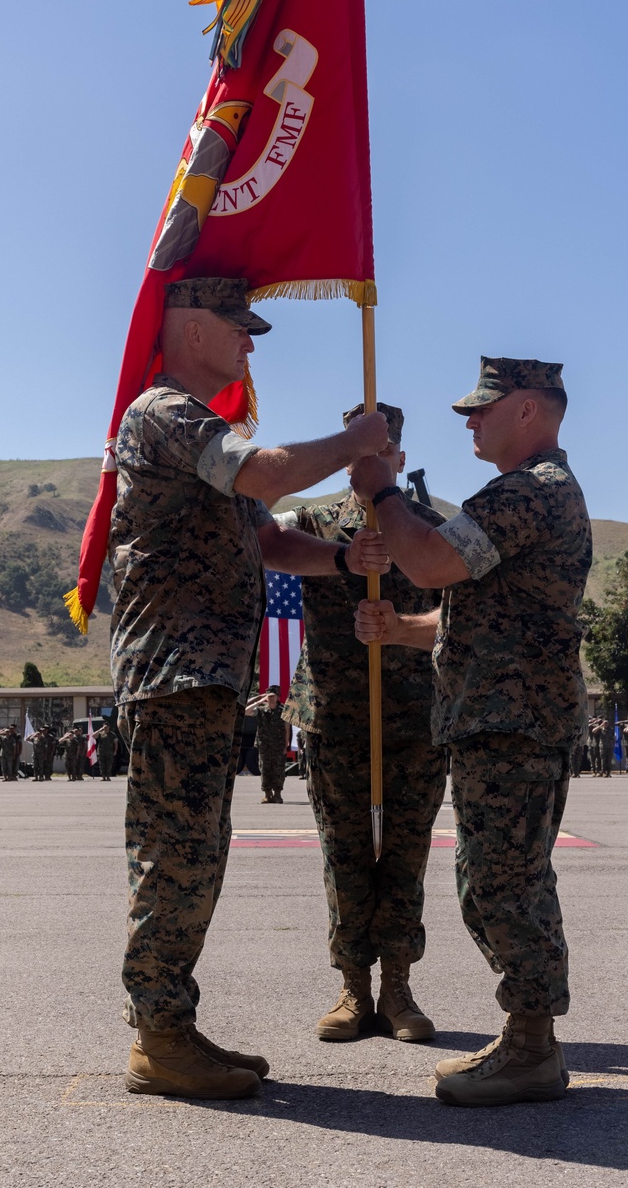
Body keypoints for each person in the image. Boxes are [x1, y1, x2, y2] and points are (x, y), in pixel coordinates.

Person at [109, 277, 390, 1102]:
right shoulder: (164, 411)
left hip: (201, 677)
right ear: (192, 326)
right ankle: (159, 1036)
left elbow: (265, 537)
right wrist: (355, 443)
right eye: (237, 326)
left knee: (195, 855)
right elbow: (263, 476)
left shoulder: (201, 424)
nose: (249, 342)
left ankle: (171, 1024)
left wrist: (341, 559)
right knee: (176, 857)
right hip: (174, 673)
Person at [354, 357, 591, 1107]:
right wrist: (400, 630)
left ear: (530, 409)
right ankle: (527, 1036)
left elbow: (427, 561)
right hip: (502, 719)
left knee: (505, 883)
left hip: (512, 723)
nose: (469, 420)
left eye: (483, 408)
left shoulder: (532, 492)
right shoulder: (528, 492)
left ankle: (531, 1046)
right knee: (492, 881)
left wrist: (381, 492)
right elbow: (466, 612)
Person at [280, 402, 447, 1044]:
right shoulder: (314, 524)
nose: (370, 467)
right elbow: (269, 549)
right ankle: (353, 984)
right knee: (345, 855)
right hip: (335, 718)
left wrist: (402, 630)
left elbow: (458, 624)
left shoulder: (432, 532)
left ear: (399, 462)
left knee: (404, 856)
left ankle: (398, 986)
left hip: (414, 722)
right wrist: (343, 557)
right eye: (359, 457)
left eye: (382, 457)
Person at [247, 691, 288, 803]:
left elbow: (287, 728)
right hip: (264, 745)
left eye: (273, 696)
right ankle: (267, 794)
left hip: (278, 745)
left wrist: (286, 744)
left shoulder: (283, 710)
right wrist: (258, 700)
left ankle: (278, 794)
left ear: (278, 697)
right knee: (264, 769)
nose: (271, 698)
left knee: (278, 769)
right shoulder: (260, 710)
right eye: (269, 696)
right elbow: (246, 711)